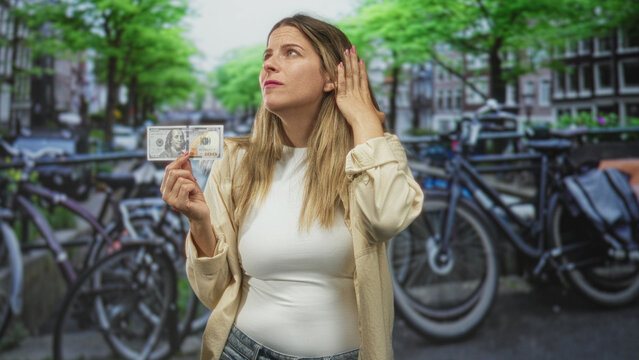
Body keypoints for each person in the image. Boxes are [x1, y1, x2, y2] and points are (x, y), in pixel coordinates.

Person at [160, 14, 423, 360]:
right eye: (267, 55)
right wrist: (199, 223)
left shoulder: (370, 155)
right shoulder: (234, 160)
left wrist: (363, 119)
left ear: (332, 76)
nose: (269, 65)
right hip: (241, 351)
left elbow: (386, 218)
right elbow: (216, 292)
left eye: (291, 53)